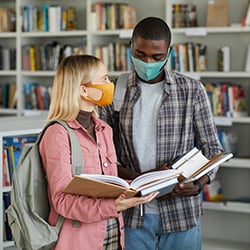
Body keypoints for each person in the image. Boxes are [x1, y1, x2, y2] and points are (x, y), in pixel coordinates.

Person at [99, 17, 224, 250]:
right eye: (140, 55)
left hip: (181, 215)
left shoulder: (191, 91)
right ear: (130, 48)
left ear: (169, 52)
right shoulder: (115, 90)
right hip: (132, 214)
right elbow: (103, 154)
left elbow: (213, 150)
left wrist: (199, 183)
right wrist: (139, 180)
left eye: (156, 57)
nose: (148, 62)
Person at [39, 55, 158, 250]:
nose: (110, 84)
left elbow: (108, 184)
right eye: (103, 80)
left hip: (113, 236)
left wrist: (137, 186)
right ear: (84, 90)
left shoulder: (104, 129)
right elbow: (61, 201)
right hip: (79, 242)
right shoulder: (57, 134)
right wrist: (114, 206)